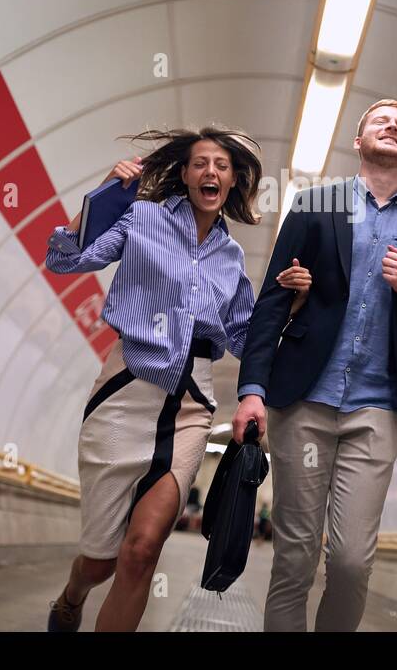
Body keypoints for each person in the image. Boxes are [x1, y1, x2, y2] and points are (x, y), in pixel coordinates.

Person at [43, 127, 311, 632]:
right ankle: (74, 595)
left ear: (232, 181)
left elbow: (243, 337)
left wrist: (290, 302)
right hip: (126, 391)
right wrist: (100, 198)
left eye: (222, 166)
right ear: (185, 175)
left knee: (143, 549)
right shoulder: (140, 217)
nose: (211, 172)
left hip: (191, 403)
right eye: (200, 163)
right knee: (101, 560)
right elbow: (64, 258)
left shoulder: (231, 258)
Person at [234, 98, 397, 632]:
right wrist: (251, 389)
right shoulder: (315, 205)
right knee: (294, 555)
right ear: (358, 142)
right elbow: (271, 301)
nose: (393, 125)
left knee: (352, 562)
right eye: (380, 120)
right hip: (305, 401)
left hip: (378, 408)